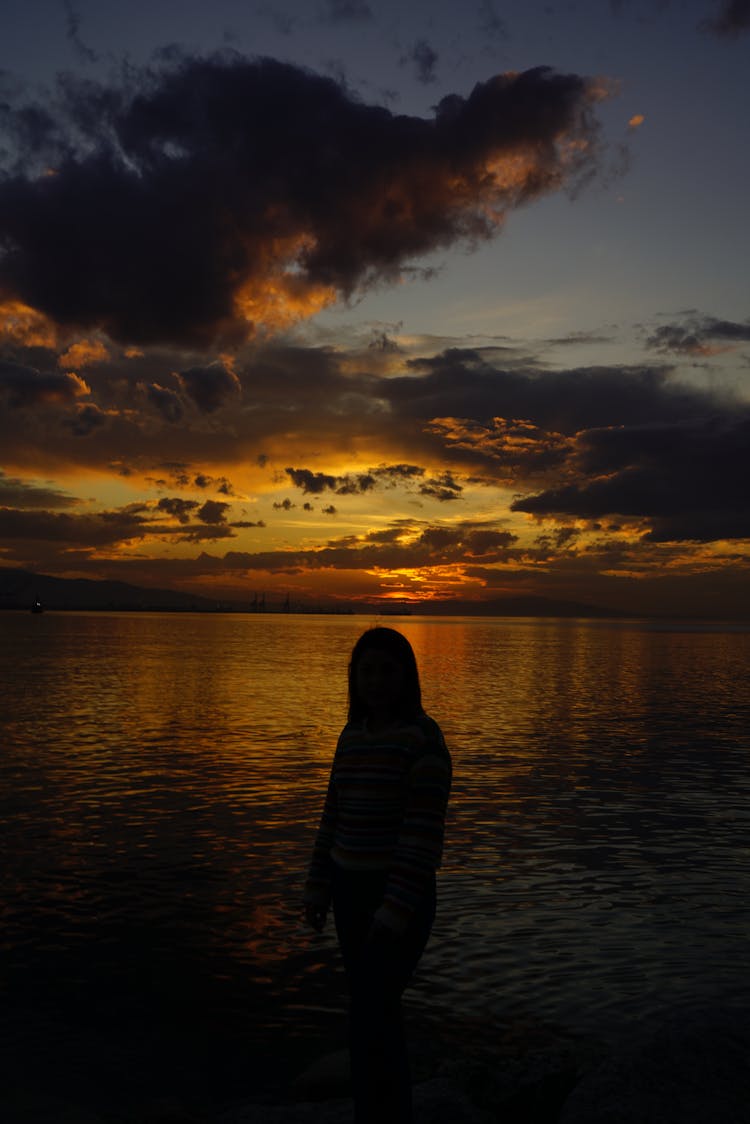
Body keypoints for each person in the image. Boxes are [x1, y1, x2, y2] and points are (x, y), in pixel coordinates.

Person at [303, 627, 452, 1124]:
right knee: (368, 1010)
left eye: (388, 669)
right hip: (348, 891)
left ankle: (387, 1113)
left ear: (408, 675)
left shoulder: (423, 741)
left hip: (397, 898)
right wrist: (318, 883)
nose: (377, 680)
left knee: (377, 1010)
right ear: (354, 678)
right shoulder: (352, 734)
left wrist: (393, 910)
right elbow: (333, 814)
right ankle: (375, 1110)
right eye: (367, 670)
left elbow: (421, 838)